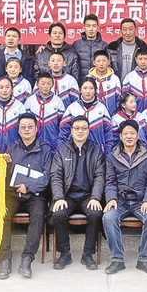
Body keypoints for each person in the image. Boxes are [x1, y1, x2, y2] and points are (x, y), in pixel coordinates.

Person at [0, 113, 52, 279]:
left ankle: (27, 258)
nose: (26, 130)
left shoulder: (45, 149)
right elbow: (3, 177)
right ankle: (5, 259)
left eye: (30, 126)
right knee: (1, 214)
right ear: (18, 130)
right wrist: (6, 165)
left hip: (35, 194)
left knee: (38, 215)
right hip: (13, 193)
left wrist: (28, 186)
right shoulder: (11, 148)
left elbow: (48, 176)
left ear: (36, 128)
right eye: (23, 127)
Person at [102, 120, 147, 275]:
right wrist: (111, 198)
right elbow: (110, 181)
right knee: (108, 217)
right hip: (120, 200)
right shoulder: (112, 156)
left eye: (132, 133)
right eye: (126, 134)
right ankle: (117, 259)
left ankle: (143, 259)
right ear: (121, 136)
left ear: (137, 135)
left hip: (141, 201)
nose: (129, 136)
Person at [49, 116, 105, 271]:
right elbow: (55, 176)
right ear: (72, 130)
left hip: (88, 195)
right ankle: (64, 253)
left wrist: (95, 197)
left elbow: (100, 176)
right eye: (77, 128)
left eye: (84, 128)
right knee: (58, 213)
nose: (80, 131)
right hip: (67, 195)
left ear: (88, 130)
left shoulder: (96, 150)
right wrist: (58, 197)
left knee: (95, 213)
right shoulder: (62, 150)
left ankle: (88, 254)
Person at [57, 77, 114, 154]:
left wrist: (107, 153)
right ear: (80, 90)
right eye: (85, 88)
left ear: (95, 90)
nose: (88, 91)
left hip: (97, 153)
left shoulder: (102, 108)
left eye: (91, 88)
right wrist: (62, 152)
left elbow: (108, 134)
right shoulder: (72, 108)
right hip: (74, 152)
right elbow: (63, 132)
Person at [24, 72, 66, 153]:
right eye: (42, 83)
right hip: (33, 141)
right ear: (37, 84)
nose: (45, 86)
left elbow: (61, 124)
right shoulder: (30, 101)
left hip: (52, 140)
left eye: (48, 84)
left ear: (52, 85)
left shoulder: (58, 101)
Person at [87, 49, 121, 117]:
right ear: (94, 62)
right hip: (93, 115)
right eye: (98, 61)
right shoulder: (88, 78)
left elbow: (119, 98)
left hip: (112, 115)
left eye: (104, 61)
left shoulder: (114, 79)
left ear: (109, 62)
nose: (101, 64)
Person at [74, 14, 107, 83]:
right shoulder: (77, 45)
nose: (91, 29)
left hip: (99, 82)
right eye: (88, 26)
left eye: (94, 26)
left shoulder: (104, 45)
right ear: (84, 28)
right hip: (81, 83)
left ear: (97, 28)